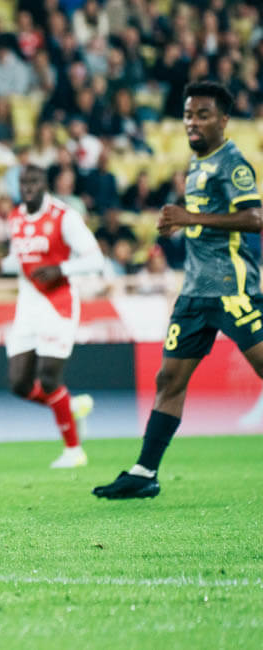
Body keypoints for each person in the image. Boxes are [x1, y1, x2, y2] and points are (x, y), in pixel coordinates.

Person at [94, 82, 263, 499]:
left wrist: (189, 218)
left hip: (231, 289)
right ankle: (144, 472)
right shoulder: (196, 163)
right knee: (169, 379)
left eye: (203, 115)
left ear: (223, 120)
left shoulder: (233, 163)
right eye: (188, 114)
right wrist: (179, 224)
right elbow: (202, 221)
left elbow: (255, 218)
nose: (192, 122)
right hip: (194, 294)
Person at [2, 165, 103, 468]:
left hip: (57, 304)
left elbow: (96, 259)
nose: (28, 187)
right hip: (27, 307)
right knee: (19, 384)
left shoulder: (64, 216)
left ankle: (74, 451)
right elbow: (21, 258)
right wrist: (3, 265)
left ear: (44, 184)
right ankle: (70, 406)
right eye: (24, 182)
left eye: (34, 182)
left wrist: (61, 269)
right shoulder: (15, 217)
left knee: (48, 378)